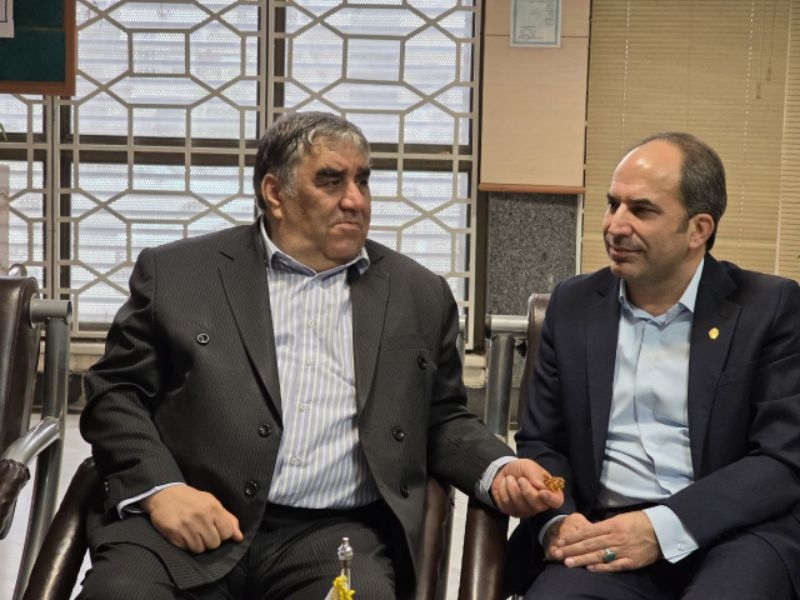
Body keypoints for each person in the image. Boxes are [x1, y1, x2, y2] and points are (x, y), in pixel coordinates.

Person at [78, 111, 560, 600]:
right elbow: (114, 394)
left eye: (362, 181)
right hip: (189, 520)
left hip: (334, 537)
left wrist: (499, 467)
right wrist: (162, 490)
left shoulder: (418, 294)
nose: (355, 200)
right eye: (331, 181)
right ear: (274, 192)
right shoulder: (179, 274)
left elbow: (439, 417)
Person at [494, 132, 800, 599]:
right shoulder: (573, 304)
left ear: (698, 229)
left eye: (641, 210)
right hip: (604, 531)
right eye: (612, 204)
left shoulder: (768, 308)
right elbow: (542, 441)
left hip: (734, 534)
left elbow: (783, 457)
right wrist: (558, 518)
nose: (615, 225)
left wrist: (661, 527)